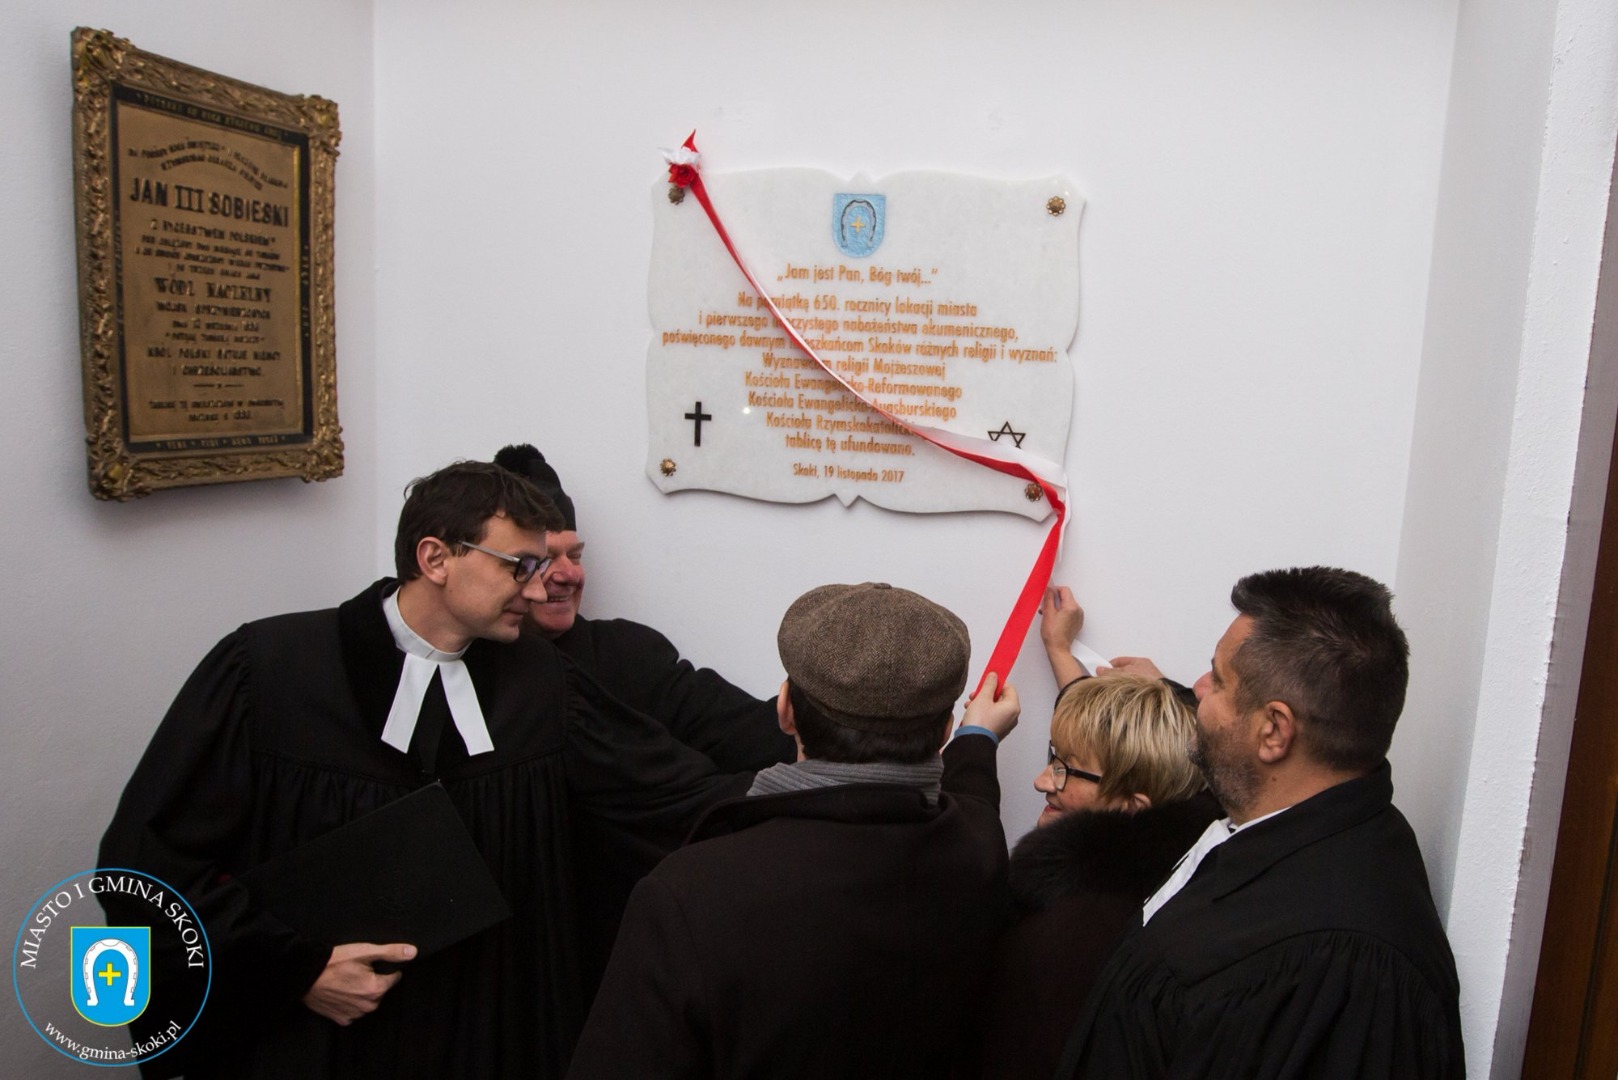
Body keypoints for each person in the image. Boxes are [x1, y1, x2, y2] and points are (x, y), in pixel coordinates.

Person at [99, 461, 749, 1080]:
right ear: (435, 558)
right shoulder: (269, 674)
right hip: (319, 1044)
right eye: (518, 566)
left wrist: (799, 792)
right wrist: (295, 970)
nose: (536, 588)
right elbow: (146, 865)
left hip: (486, 1034)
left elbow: (668, 797)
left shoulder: (544, 686)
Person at [566, 582, 1021, 1079]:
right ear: (944, 731)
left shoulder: (689, 893)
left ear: (785, 710)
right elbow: (974, 799)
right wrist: (978, 737)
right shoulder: (977, 853)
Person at [1057, 567, 1465, 1079]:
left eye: (1218, 679)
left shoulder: (1344, 973)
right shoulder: (1306, 808)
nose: (1197, 688)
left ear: (1274, 731)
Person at [493, 442, 795, 993]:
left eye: (576, 555)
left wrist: (847, 730)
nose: (566, 575)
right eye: (544, 558)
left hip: (615, 957)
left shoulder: (626, 653)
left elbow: (735, 727)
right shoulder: (462, 678)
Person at [965, 674, 1219, 1080]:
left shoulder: (1068, 936)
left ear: (1130, 806)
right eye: (1053, 757)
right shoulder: (1173, 893)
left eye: (1065, 770)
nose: (1042, 781)